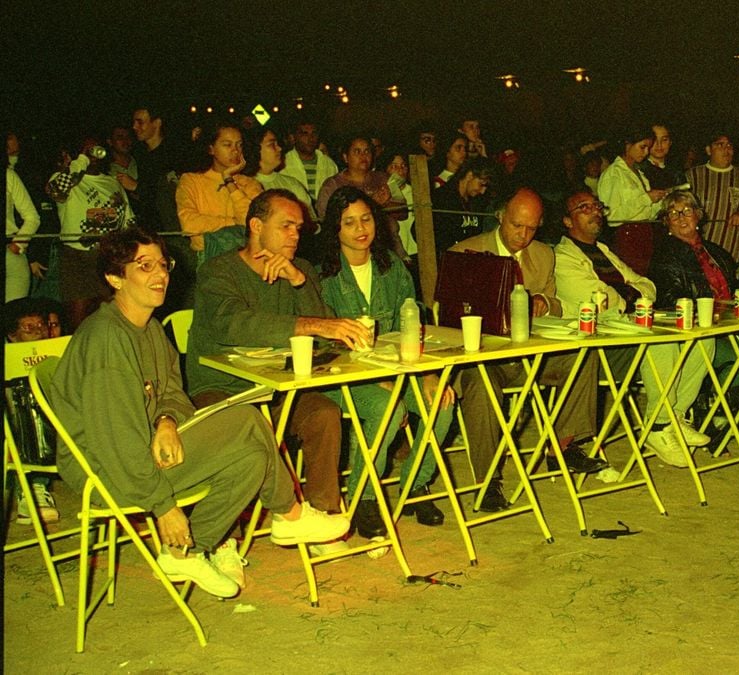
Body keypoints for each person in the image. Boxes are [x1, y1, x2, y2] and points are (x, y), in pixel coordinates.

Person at [49, 228, 347, 596]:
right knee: (247, 418)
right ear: (115, 278)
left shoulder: (151, 329)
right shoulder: (107, 338)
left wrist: (166, 421)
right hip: (107, 471)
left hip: (145, 453)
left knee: (253, 459)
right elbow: (116, 441)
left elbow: (173, 390)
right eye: (144, 266)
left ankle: (186, 550)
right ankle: (290, 514)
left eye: (163, 264)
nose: (160, 275)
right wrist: (163, 507)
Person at [188, 190, 373, 554]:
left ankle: (320, 517)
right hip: (223, 388)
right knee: (240, 424)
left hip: (276, 389)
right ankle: (223, 540)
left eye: (299, 228)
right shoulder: (217, 271)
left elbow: (325, 331)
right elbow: (233, 325)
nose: (295, 235)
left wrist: (299, 282)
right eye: (285, 226)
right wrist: (310, 325)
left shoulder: (298, 269)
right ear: (256, 227)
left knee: (323, 412)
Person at [451, 188, 607, 511]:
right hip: (484, 359)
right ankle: (488, 479)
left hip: (529, 355)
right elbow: (446, 317)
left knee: (582, 354)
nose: (523, 235)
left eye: (531, 228)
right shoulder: (465, 253)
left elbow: (557, 304)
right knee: (481, 383)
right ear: (500, 218)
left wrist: (544, 304)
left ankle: (563, 445)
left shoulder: (543, 255)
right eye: (516, 226)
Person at [316, 187, 455, 534]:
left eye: (365, 219)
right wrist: (372, 376)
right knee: (387, 406)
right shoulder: (323, 276)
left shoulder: (392, 268)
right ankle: (364, 496)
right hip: (340, 375)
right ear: (335, 229)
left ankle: (413, 485)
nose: (360, 229)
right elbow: (321, 346)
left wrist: (426, 373)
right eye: (349, 223)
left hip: (395, 368)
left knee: (440, 400)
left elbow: (411, 325)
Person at [554, 190, 708, 467]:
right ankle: (658, 426)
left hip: (626, 334)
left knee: (701, 340)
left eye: (597, 205)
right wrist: (630, 295)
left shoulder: (603, 251)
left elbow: (647, 285)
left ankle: (674, 416)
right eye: (584, 207)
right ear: (567, 220)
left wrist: (627, 294)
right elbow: (599, 300)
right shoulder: (562, 257)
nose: (595, 212)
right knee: (660, 341)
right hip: (598, 350)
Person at [647, 190, 739, 434]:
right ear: (666, 221)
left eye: (687, 210)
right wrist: (707, 311)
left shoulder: (715, 252)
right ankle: (708, 415)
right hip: (699, 331)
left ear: (698, 215)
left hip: (730, 325)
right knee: (738, 362)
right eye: (673, 213)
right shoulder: (664, 254)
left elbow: (737, 286)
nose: (681, 217)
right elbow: (667, 299)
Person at [46, 137, 135, 329]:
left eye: (96, 149)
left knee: (112, 319)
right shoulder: (67, 179)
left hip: (108, 257)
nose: (94, 154)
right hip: (76, 257)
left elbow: (128, 221)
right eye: (88, 150)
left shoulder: (112, 182)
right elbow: (56, 191)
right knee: (78, 321)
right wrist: (80, 161)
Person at [175, 120, 264, 263]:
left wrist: (229, 181)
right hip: (207, 256)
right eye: (227, 145)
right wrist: (233, 222)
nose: (235, 151)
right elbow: (189, 223)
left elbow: (252, 221)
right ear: (211, 149)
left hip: (246, 255)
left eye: (239, 145)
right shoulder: (191, 180)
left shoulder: (250, 184)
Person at [5, 297, 59, 523]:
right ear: (12, 335)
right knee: (25, 397)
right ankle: (32, 488)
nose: (39, 332)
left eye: (42, 326)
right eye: (29, 328)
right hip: (23, 427)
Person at [686, 132, 739, 261]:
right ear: (708, 150)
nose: (726, 149)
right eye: (720, 145)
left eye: (729, 145)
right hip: (699, 251)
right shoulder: (693, 175)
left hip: (733, 253)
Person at [241, 125, 316, 220]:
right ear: (255, 149)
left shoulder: (292, 184)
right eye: (272, 144)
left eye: (278, 144)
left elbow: (311, 220)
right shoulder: (243, 184)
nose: (279, 149)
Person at [597, 125, 666, 225]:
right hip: (626, 234)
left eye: (648, 148)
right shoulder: (613, 174)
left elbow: (645, 213)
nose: (646, 152)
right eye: (642, 147)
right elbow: (610, 216)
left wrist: (661, 201)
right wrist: (646, 199)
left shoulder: (639, 173)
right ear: (628, 144)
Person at [314, 135, 392, 219]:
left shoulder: (383, 178)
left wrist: (387, 203)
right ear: (345, 157)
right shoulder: (332, 185)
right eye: (357, 152)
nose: (363, 156)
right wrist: (373, 203)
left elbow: (403, 213)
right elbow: (325, 219)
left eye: (367, 151)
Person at [432, 156, 495, 259]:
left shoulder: (477, 202)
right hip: (447, 259)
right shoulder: (443, 198)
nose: (482, 191)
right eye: (481, 184)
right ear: (470, 175)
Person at [279, 119, 339, 202]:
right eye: (305, 134)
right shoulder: (283, 164)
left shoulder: (329, 164)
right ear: (294, 137)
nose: (311, 138)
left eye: (314, 133)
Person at [7, 165, 41, 300]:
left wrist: (18, 244)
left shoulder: (8, 175)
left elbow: (32, 217)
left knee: (14, 315)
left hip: (9, 254)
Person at [641, 123, 683, 191]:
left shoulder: (676, 171)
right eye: (655, 140)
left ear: (670, 142)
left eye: (664, 140)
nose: (659, 145)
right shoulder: (640, 169)